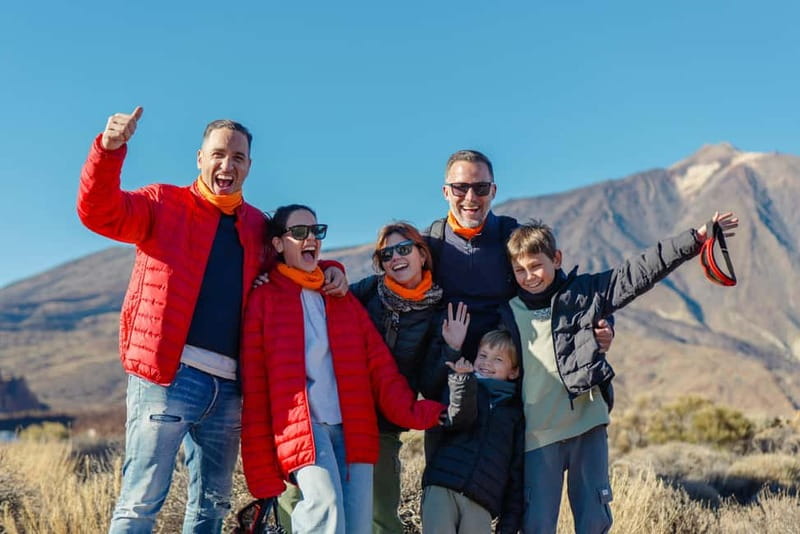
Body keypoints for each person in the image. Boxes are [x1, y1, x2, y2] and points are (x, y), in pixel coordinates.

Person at [76, 108, 345, 533]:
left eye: (238, 157)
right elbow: (99, 212)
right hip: (167, 378)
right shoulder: (162, 203)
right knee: (140, 501)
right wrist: (109, 150)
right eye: (218, 154)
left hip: (230, 389)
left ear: (249, 167)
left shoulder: (257, 225)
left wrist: (331, 268)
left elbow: (295, 257)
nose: (228, 164)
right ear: (199, 159)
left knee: (211, 508)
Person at [497, 213, 739, 534]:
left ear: (556, 259)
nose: (529, 276)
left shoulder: (586, 293)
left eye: (536, 265)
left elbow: (638, 270)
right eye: (520, 270)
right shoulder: (506, 312)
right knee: (536, 524)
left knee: (594, 521)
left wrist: (695, 239)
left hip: (587, 427)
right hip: (537, 436)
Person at [240, 205, 447, 534]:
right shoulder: (264, 299)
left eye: (316, 232)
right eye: (299, 232)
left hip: (353, 424)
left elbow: (379, 367)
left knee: (357, 524)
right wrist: (260, 463)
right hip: (303, 426)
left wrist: (419, 412)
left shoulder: (339, 297)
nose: (310, 239)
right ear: (278, 244)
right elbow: (254, 387)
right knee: (325, 508)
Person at [425, 149, 615, 369]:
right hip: (449, 375)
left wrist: (605, 325)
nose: (471, 197)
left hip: (512, 377)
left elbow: (564, 290)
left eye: (481, 188)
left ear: (493, 191)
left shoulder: (514, 238)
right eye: (460, 187)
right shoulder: (429, 246)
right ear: (446, 192)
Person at [421, 329, 525, 534]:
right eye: (483, 355)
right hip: (443, 487)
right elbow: (456, 421)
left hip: (482, 501)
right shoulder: (461, 385)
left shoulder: (516, 414)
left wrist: (508, 527)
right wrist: (462, 383)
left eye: (498, 359)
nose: (487, 363)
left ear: (513, 372)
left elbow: (516, 472)